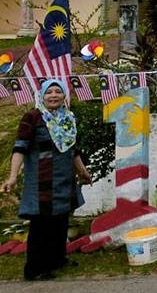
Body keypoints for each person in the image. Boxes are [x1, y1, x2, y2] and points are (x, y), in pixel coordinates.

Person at [2, 79, 92, 281]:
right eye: (49, 92)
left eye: (57, 91)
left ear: (63, 96)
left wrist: (83, 173)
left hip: (64, 180)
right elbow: (20, 148)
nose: (53, 95)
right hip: (41, 181)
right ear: (41, 96)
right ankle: (34, 269)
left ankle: (57, 259)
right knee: (41, 225)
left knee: (60, 220)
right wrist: (12, 177)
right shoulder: (32, 117)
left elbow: (73, 150)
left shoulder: (68, 118)